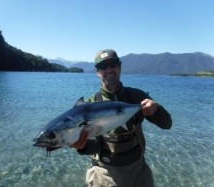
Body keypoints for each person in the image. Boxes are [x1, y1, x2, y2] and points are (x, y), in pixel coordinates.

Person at [72, 49, 172, 187]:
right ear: (97, 72)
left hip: (138, 173)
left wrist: (157, 110)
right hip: (104, 175)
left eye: (112, 65)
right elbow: (95, 146)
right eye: (103, 67)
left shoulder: (137, 96)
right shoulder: (90, 105)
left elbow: (167, 124)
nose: (109, 70)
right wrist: (82, 146)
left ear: (119, 68)